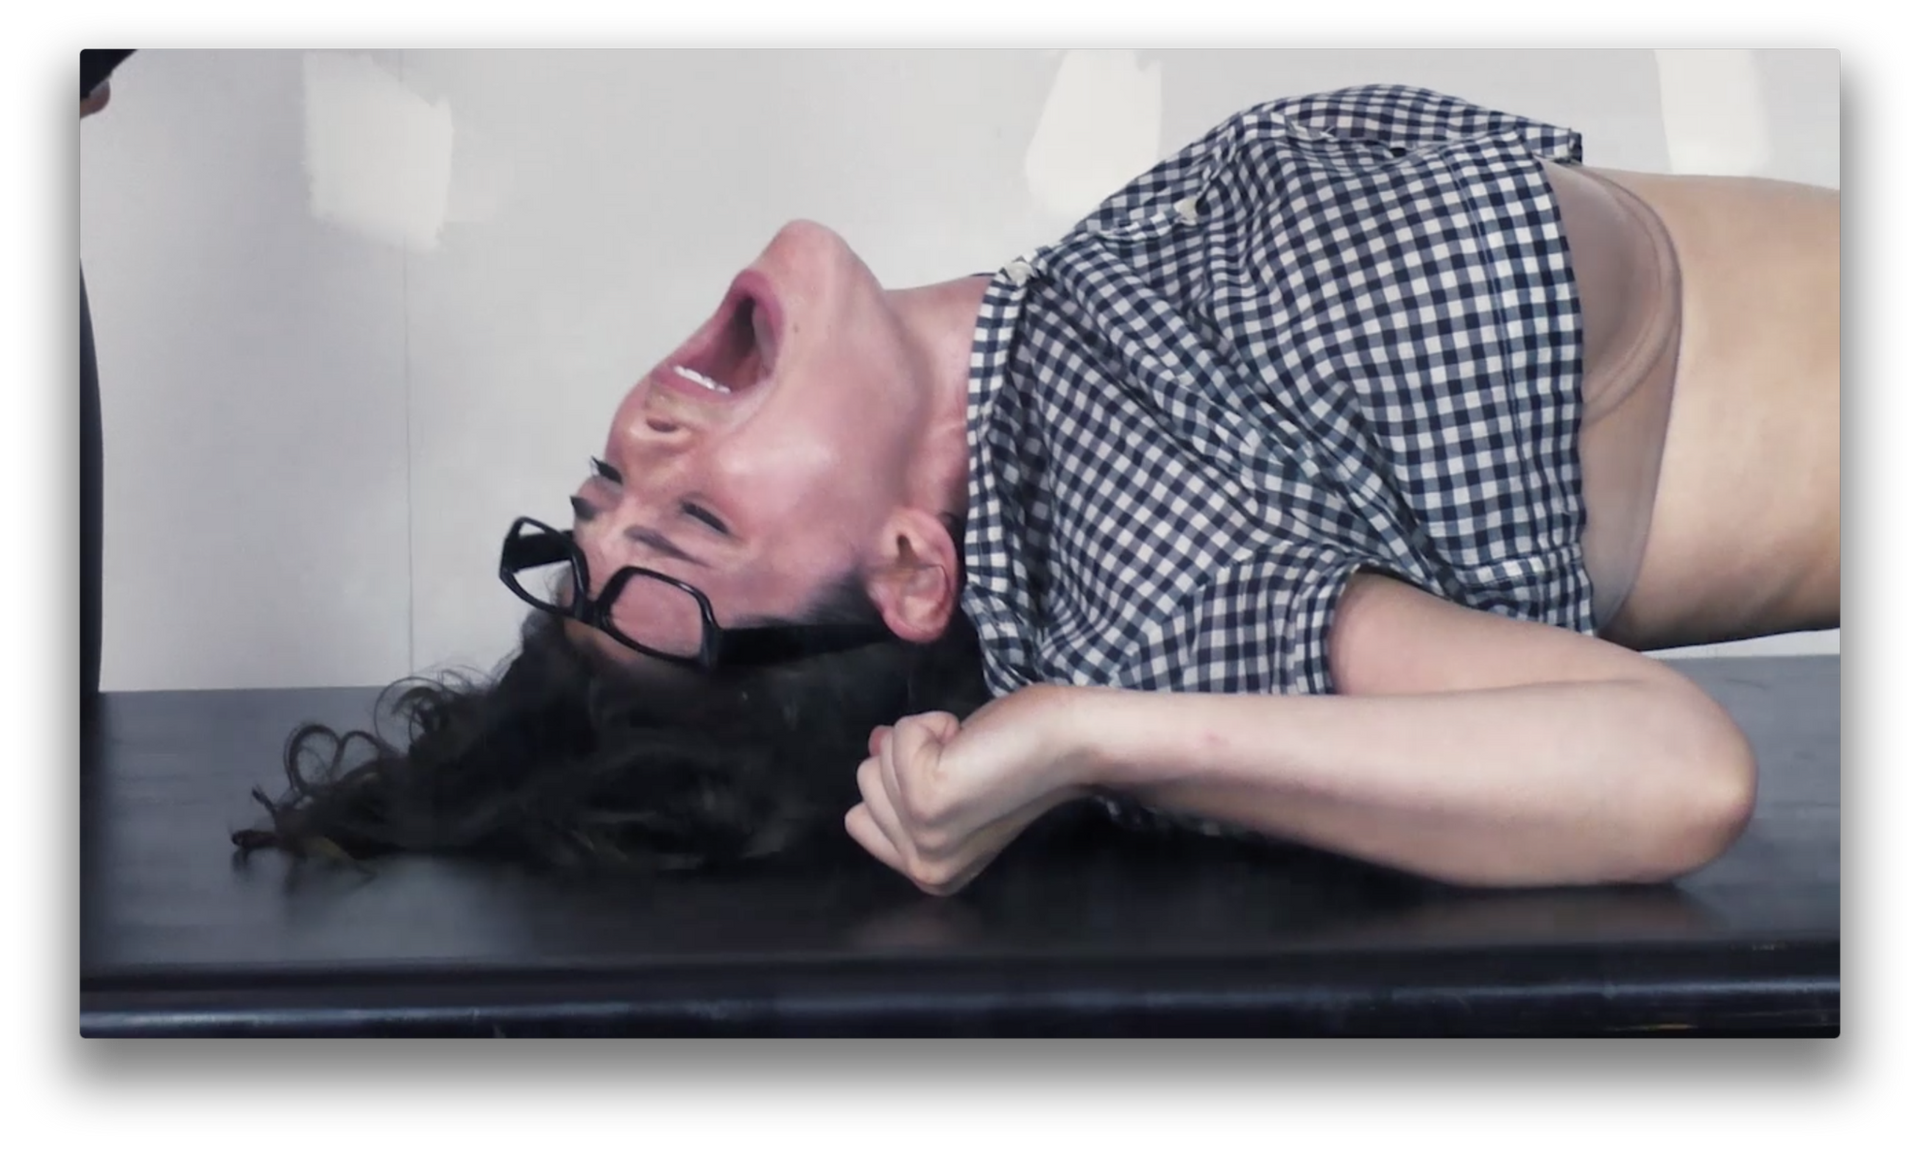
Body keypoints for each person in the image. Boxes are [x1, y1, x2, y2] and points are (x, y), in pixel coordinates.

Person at [233, 84, 1838, 896]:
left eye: (603, 486)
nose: (648, 439)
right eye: (698, 522)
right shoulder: (1141, 556)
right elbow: (1679, 773)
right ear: (912, 572)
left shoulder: (1068, 335)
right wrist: (1087, 733)